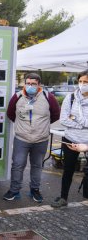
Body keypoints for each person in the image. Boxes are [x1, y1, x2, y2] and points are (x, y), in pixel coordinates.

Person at [3, 73, 60, 203]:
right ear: (24, 84)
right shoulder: (17, 97)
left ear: (39, 85)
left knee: (37, 165)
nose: (30, 86)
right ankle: (14, 190)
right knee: (17, 165)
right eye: (28, 83)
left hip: (41, 139)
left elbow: (56, 115)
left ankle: (35, 190)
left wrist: (41, 126)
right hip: (21, 139)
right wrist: (23, 127)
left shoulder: (48, 97)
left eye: (33, 84)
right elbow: (10, 114)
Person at [51, 69, 88, 208]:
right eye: (80, 81)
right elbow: (64, 120)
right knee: (68, 170)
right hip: (70, 138)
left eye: (86, 82)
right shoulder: (71, 97)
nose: (82, 84)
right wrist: (82, 125)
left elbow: (71, 118)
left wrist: (77, 119)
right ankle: (63, 197)